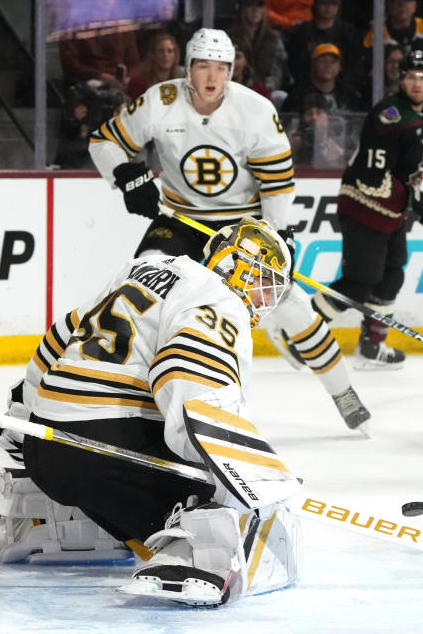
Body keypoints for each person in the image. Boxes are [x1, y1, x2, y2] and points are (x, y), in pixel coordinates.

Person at [0, 217, 301, 607]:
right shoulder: (221, 299)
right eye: (264, 283)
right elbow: (188, 381)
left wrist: (27, 430)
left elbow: (57, 340)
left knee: (126, 463)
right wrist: (229, 482)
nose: (265, 300)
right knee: (220, 490)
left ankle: (48, 522)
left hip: (45, 451)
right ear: (238, 264)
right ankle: (194, 559)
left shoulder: (141, 270)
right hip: (107, 453)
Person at [87, 28, 371, 434]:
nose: (211, 76)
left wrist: (279, 234)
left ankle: (342, 391)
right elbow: (104, 142)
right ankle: (128, 393)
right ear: (188, 68)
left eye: (220, 67)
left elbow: (277, 180)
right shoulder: (160, 101)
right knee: (143, 287)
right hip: (179, 217)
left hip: (243, 224)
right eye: (202, 65)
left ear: (231, 70)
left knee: (291, 304)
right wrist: (128, 174)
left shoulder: (255, 110)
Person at [310, 50, 423, 368]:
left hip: (389, 213)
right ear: (401, 79)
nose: (417, 83)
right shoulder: (390, 116)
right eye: (411, 77)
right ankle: (298, 334)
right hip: (363, 206)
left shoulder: (421, 113)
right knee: (360, 280)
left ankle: (371, 347)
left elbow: (411, 155)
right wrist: (415, 199)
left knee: (391, 275)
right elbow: (372, 176)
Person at [362, 0, 423, 84]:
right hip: (388, 87)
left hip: (422, 86)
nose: (401, 4)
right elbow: (369, 69)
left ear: (414, 6)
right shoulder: (376, 32)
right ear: (389, 6)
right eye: (396, 0)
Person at [284, 0, 362, 89]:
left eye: (333, 3)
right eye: (323, 3)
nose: (328, 7)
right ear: (315, 5)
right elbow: (295, 64)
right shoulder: (302, 32)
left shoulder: (348, 32)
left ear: (339, 6)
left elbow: (353, 64)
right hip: (306, 86)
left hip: (343, 87)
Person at [228, 0, 288, 95]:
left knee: (280, 96)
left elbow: (276, 74)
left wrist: (263, 89)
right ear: (242, 9)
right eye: (250, 5)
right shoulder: (228, 38)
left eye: (260, 5)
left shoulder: (274, 39)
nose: (255, 10)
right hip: (237, 89)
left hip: (265, 91)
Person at [281, 43, 366, 115]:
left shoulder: (350, 96)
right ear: (312, 64)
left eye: (333, 61)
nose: (328, 65)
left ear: (340, 67)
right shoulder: (297, 96)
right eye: (322, 60)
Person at [127, 32, 184, 100]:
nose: (165, 55)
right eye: (160, 51)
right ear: (153, 55)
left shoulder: (183, 81)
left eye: (170, 51)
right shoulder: (138, 83)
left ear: (175, 55)